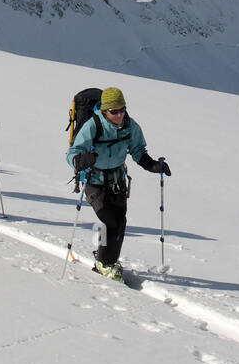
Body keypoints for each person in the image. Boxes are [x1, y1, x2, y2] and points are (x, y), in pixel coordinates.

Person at [66, 87, 170, 279]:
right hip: (94, 181)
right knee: (110, 221)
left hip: (118, 181)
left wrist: (153, 165)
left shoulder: (130, 126)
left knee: (119, 222)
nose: (119, 114)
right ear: (105, 110)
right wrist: (80, 161)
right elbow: (72, 153)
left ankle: (107, 258)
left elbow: (138, 151)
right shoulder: (93, 125)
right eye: (114, 111)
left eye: (122, 109)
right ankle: (105, 263)